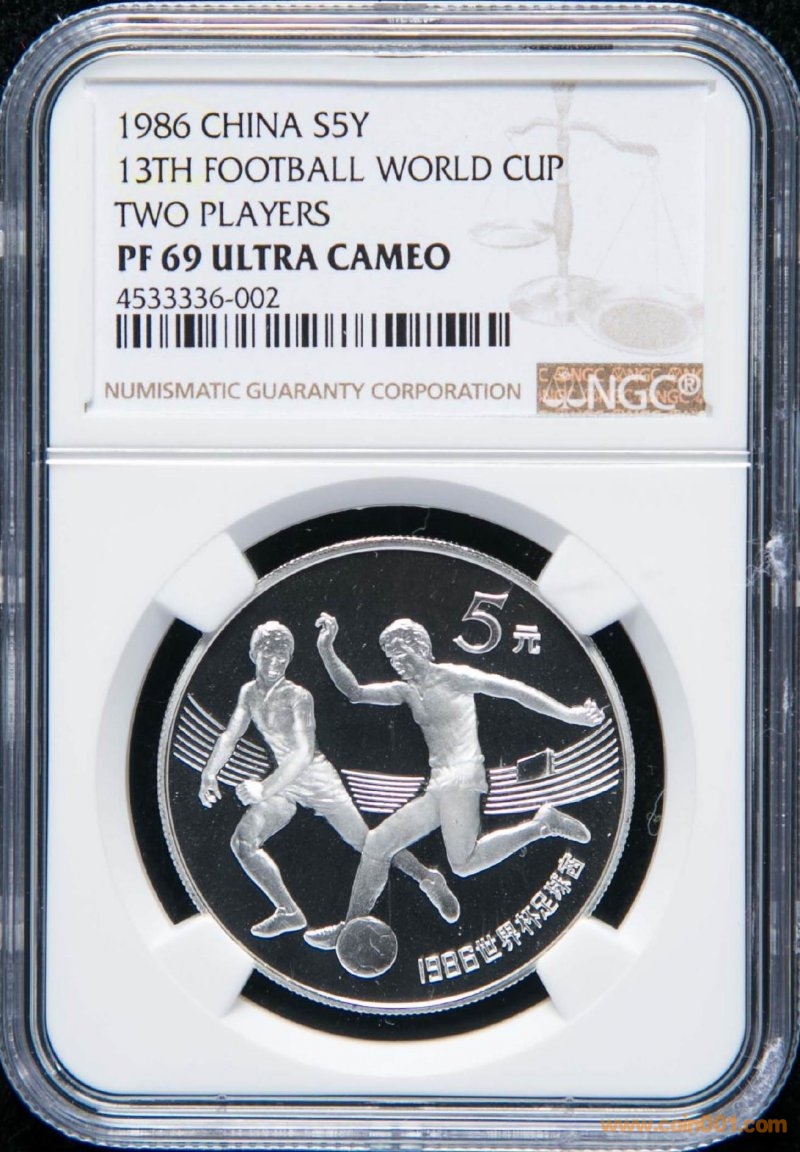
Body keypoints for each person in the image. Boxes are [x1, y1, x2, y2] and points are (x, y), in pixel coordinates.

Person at [305, 613, 603, 950]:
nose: (395, 662)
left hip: (462, 780)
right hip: (439, 786)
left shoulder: (453, 677)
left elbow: (514, 691)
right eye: (389, 657)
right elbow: (355, 692)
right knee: (376, 844)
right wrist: (326, 648)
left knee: (463, 863)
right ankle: (353, 928)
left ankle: (542, 825)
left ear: (420, 647)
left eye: (399, 652)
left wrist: (570, 715)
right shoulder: (406, 691)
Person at [199, 621, 459, 939]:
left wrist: (263, 788)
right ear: (254, 654)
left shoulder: (298, 696)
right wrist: (209, 773)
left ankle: (427, 877)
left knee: (369, 845)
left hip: (316, 780)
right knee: (243, 842)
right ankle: (289, 912)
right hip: (284, 783)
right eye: (268, 654)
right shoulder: (249, 693)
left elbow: (304, 752)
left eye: (282, 656)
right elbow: (230, 735)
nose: (275, 662)